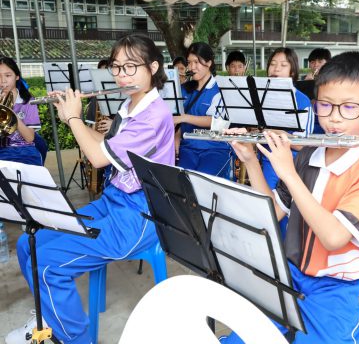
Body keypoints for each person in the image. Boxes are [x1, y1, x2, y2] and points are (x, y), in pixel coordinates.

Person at [6, 34, 175, 344]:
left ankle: (73, 337)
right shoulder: (129, 105)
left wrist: (73, 117)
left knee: (48, 264)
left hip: (140, 216)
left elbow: (97, 159)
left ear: (153, 67)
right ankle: (48, 316)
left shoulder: (154, 115)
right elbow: (107, 147)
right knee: (28, 244)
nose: (122, 75)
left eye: (131, 66)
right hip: (114, 201)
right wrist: (73, 120)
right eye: (117, 67)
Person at [221, 51, 359, 344]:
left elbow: (334, 237)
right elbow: (271, 214)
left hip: (342, 290)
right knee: (245, 336)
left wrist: (289, 173)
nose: (334, 118)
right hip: (292, 275)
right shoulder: (308, 155)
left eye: (349, 107)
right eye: (325, 105)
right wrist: (250, 160)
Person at [174, 42, 231, 179]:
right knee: (182, 183)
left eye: (196, 62)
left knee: (201, 184)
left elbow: (217, 121)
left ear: (209, 63)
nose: (192, 67)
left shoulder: (221, 88)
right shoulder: (183, 89)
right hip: (187, 148)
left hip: (214, 149)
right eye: (189, 62)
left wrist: (184, 117)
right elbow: (176, 120)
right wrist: (176, 137)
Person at [262, 47, 314, 189]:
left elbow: (302, 145)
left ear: (292, 72)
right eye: (272, 64)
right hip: (265, 158)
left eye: (283, 65)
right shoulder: (260, 97)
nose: (276, 69)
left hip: (291, 163)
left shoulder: (302, 101)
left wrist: (275, 132)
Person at [0, 56, 43, 166]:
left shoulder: (28, 101)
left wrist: (10, 113)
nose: (3, 81)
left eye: (8, 75)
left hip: (24, 152)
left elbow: (29, 138)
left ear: (17, 76)